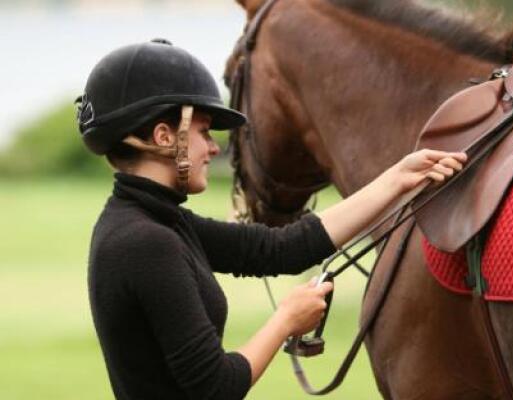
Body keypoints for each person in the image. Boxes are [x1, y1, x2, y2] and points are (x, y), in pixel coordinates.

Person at [78, 39, 466, 400]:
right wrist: (286, 320)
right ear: (165, 136)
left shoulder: (159, 222)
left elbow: (280, 250)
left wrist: (398, 179)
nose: (214, 148)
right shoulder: (145, 241)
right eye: (203, 132)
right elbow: (215, 387)